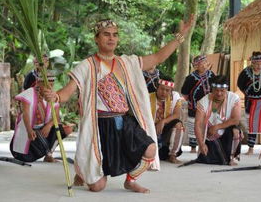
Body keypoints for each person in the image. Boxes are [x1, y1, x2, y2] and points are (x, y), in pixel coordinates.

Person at [43, 16, 194, 193]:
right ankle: (84, 171)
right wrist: (55, 96)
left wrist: (179, 37)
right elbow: (67, 93)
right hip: (99, 126)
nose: (111, 38)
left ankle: (130, 180)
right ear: (97, 38)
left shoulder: (127, 62)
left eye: (115, 35)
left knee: (150, 148)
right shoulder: (86, 66)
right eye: (106, 34)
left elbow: (158, 57)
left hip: (124, 121)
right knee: (97, 187)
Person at [10, 72, 71, 163]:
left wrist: (49, 126)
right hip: (27, 140)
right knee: (37, 139)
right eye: (47, 85)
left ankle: (48, 155)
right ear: (38, 83)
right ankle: (47, 152)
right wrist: (29, 130)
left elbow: (57, 117)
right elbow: (25, 114)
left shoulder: (52, 96)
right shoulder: (28, 94)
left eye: (51, 84)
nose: (50, 87)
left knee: (62, 129)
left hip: (41, 134)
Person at [194, 75, 242, 165]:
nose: (219, 93)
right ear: (212, 89)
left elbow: (236, 120)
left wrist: (217, 127)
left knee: (236, 131)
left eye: (222, 91)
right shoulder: (203, 101)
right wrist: (201, 144)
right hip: (209, 135)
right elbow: (198, 124)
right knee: (207, 159)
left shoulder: (234, 98)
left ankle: (232, 158)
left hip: (227, 133)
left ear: (226, 89)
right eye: (216, 90)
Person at [237, 51, 261, 155]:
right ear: (252, 63)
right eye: (257, 64)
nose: (259, 66)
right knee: (252, 126)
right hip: (252, 103)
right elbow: (240, 85)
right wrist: (249, 93)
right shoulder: (245, 73)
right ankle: (250, 149)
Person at [181, 55, 215, 153]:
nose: (204, 65)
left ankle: (207, 145)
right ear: (196, 66)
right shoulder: (190, 78)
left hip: (210, 106)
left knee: (209, 124)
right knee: (193, 124)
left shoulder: (211, 74)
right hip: (194, 107)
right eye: (201, 64)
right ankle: (193, 147)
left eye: (205, 62)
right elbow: (185, 93)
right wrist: (192, 102)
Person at [149, 76, 184, 164]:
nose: (164, 92)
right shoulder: (148, 97)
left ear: (171, 91)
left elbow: (177, 114)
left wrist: (163, 121)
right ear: (157, 87)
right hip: (150, 129)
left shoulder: (175, 97)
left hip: (165, 129)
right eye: (162, 89)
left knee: (178, 124)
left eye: (167, 90)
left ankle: (172, 155)